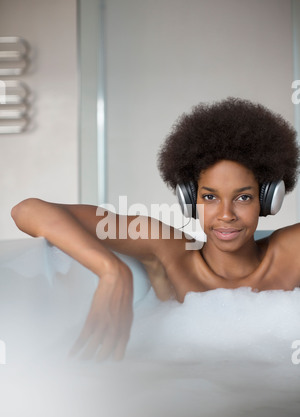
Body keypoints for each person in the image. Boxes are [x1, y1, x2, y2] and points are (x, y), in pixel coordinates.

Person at [11, 97, 300, 361]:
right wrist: (110, 270)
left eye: (243, 197)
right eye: (209, 197)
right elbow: (27, 211)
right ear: (189, 200)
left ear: (268, 199)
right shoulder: (169, 251)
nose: (226, 215)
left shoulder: (291, 251)